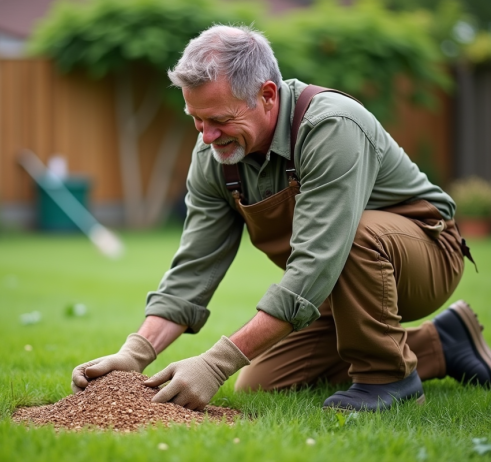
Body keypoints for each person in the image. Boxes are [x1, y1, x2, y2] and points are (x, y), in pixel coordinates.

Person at [72, 25, 491, 412]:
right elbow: (194, 267)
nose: (206, 136)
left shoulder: (331, 127)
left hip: (425, 256)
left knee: (356, 236)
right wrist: (135, 353)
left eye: (219, 120)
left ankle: (389, 379)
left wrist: (215, 363)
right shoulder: (215, 156)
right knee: (258, 383)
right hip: (334, 287)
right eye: (196, 119)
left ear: (268, 95)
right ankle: (442, 342)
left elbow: (317, 261)